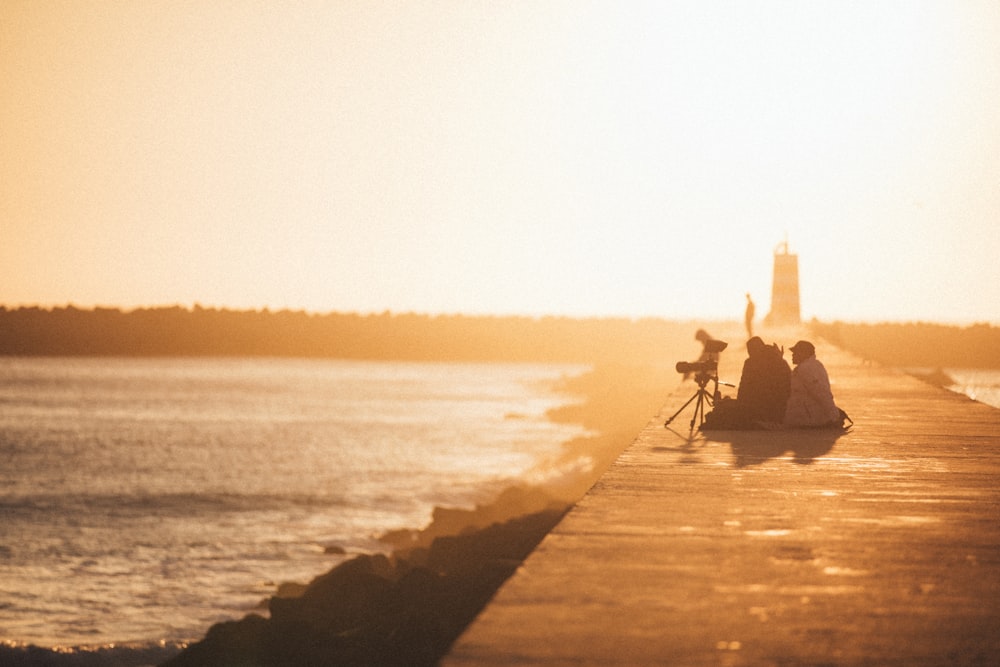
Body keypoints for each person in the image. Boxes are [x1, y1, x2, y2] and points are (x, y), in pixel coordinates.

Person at [783, 340, 841, 427]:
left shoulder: (806, 369)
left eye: (795, 353)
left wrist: (834, 415)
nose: (792, 355)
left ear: (804, 353)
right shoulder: (814, 365)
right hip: (808, 415)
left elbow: (820, 392)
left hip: (807, 418)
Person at [736, 336, 791, 424]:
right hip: (781, 407)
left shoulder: (750, 363)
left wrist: (739, 406)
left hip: (760, 406)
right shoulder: (778, 359)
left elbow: (744, 387)